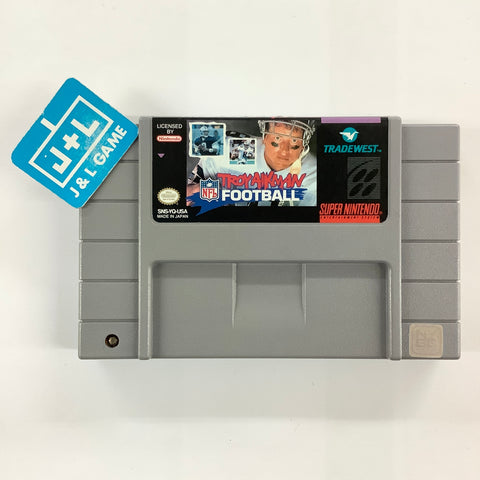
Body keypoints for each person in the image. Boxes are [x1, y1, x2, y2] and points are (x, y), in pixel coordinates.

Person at [188, 119, 316, 206]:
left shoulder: (312, 174)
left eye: (294, 141)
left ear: (304, 144)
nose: (284, 151)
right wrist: (196, 190)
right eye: (277, 138)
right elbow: (185, 195)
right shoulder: (241, 150)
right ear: (265, 137)